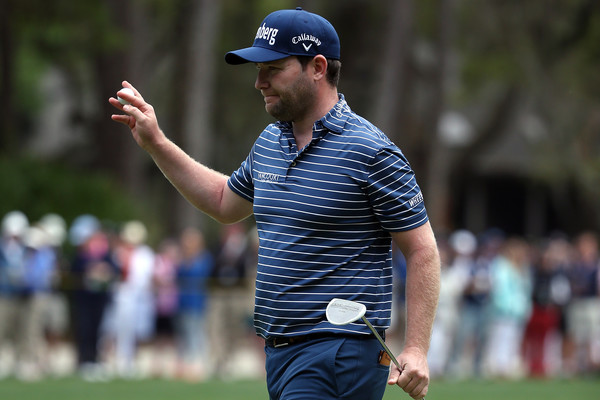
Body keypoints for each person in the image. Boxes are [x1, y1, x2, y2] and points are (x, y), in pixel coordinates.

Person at [109, 7, 440, 400]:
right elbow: (223, 201)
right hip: (279, 349)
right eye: (257, 69)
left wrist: (417, 348)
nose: (259, 82)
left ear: (317, 67)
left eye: (273, 69)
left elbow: (422, 250)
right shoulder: (270, 142)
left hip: (339, 349)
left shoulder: (370, 151)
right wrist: (157, 144)